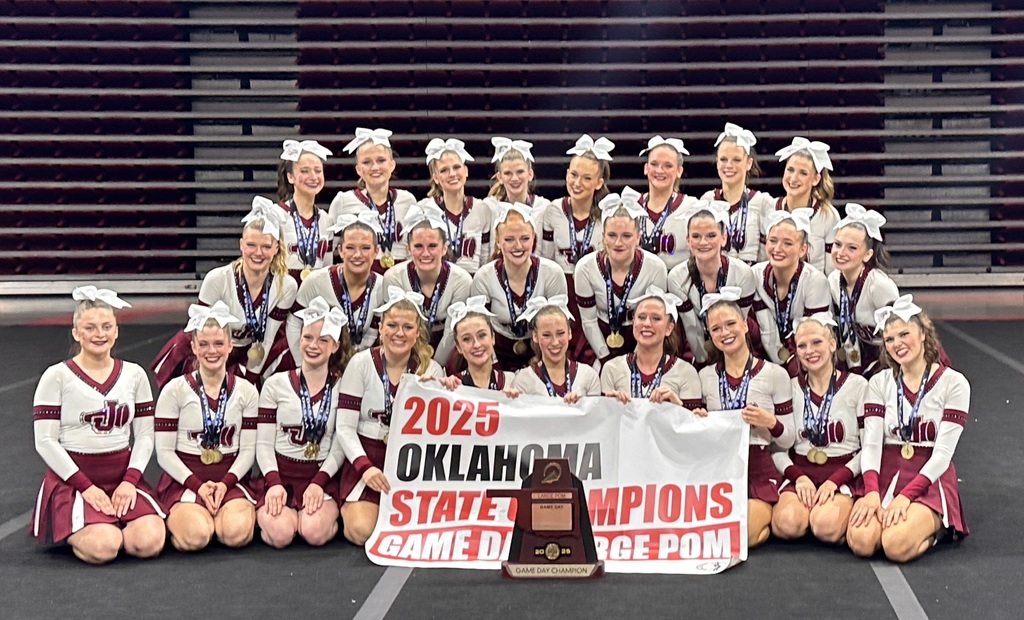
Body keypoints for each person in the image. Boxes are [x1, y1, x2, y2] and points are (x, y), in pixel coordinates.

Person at [30, 287, 165, 564]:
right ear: (76, 333)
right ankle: (79, 524)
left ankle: (108, 520)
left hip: (122, 478)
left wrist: (130, 481)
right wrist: (85, 487)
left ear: (116, 331)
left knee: (149, 542)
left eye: (106, 326)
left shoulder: (134, 374)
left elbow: (144, 435)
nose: (99, 334)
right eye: (90, 327)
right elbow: (45, 441)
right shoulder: (56, 376)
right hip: (75, 480)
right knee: (105, 546)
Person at [847, 296, 970, 562]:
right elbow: (871, 444)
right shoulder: (879, 383)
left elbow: (943, 455)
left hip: (929, 478)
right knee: (861, 541)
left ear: (924, 334)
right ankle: (897, 520)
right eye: (889, 339)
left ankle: (940, 529)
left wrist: (906, 497)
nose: (897, 344)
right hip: (886, 473)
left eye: (904, 334)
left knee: (895, 545)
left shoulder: (954, 383)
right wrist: (870, 492)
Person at [336, 287, 446, 545]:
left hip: (411, 463)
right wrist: (364, 468)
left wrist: (436, 392)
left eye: (407, 327)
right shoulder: (360, 364)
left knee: (418, 534)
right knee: (362, 532)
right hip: (368, 458)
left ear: (417, 332)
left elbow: (438, 433)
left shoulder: (431, 369)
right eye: (392, 325)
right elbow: (345, 427)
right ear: (381, 328)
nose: (399, 333)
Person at [152, 196, 297, 389]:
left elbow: (268, 339)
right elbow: (201, 333)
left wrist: (250, 378)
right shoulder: (217, 279)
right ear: (241, 245)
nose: (258, 252)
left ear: (276, 249)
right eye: (251, 245)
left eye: (266, 246)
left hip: (248, 353)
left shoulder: (286, 286)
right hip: (207, 348)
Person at [155, 302, 260, 552]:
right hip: (186, 481)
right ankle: (190, 515)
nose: (211, 351)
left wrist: (224, 484)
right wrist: (197, 486)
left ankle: (218, 512)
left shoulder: (247, 391)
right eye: (203, 344)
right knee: (196, 536)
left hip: (231, 481)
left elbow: (248, 450)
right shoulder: (174, 391)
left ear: (230, 346)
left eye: (218, 344)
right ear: (192, 347)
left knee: (236, 534)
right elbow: (164, 453)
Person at [696, 288, 795, 549]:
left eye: (730, 324)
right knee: (709, 538)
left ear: (744, 324)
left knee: (738, 538)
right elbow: (697, 434)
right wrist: (699, 421)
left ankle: (766, 517)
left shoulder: (775, 374)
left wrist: (770, 422)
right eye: (716, 329)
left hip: (759, 466)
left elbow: (788, 440)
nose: (724, 333)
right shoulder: (705, 376)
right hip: (720, 469)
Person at [256, 297, 348, 548]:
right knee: (281, 535)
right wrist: (274, 483)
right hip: (281, 475)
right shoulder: (276, 384)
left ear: (335, 345)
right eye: (308, 337)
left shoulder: (343, 387)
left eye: (323, 340)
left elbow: (341, 444)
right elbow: (263, 443)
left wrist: (319, 483)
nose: (313, 345)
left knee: (314, 533)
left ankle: (318, 515)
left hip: (321, 475)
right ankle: (285, 513)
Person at [771, 314, 868, 545]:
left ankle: (836, 511)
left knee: (825, 527)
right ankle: (811, 513)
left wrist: (835, 481)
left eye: (817, 342)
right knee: (786, 525)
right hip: (801, 472)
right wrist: (798, 477)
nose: (809, 351)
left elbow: (870, 448)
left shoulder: (858, 386)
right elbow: (777, 448)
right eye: (802, 345)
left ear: (833, 344)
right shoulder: (789, 387)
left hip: (843, 472)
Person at [575, 188, 668, 368]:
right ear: (603, 236)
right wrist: (605, 359)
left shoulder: (655, 268)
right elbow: (588, 321)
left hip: (642, 339)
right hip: (597, 341)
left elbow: (655, 319)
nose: (618, 243)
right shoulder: (585, 268)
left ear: (638, 238)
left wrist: (635, 360)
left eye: (626, 236)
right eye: (612, 235)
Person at [469, 201, 567, 371]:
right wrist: (495, 370)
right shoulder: (483, 277)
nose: (518, 246)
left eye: (525, 238)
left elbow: (558, 329)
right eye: (509, 239)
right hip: (495, 356)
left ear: (534, 239)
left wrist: (543, 368)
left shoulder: (552, 273)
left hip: (542, 354)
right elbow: (478, 329)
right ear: (498, 241)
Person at [667, 200, 765, 369]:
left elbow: (740, 325)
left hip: (739, 341)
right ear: (688, 240)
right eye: (696, 236)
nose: (703, 242)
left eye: (711, 236)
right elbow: (692, 327)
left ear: (723, 238)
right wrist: (703, 363)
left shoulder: (742, 273)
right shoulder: (677, 276)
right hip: (701, 344)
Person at [382, 204, 472, 366]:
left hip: (448, 356)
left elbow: (451, 334)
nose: (425, 253)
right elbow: (397, 330)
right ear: (408, 248)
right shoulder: (393, 278)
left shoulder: (462, 281)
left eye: (432, 246)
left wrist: (433, 368)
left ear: (444, 248)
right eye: (418, 246)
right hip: (406, 350)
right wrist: (418, 366)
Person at [287, 211, 385, 358]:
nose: (357, 255)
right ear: (340, 250)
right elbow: (294, 323)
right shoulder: (316, 281)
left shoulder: (382, 286)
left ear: (376, 251)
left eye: (365, 248)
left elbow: (372, 332)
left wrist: (356, 364)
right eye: (350, 247)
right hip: (317, 361)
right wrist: (301, 363)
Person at [752, 208, 833, 376]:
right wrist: (778, 365)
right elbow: (766, 329)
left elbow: (814, 335)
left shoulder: (815, 281)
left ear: (803, 249)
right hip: (769, 353)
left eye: (787, 243)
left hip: (808, 356)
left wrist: (790, 366)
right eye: (772, 241)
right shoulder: (755, 275)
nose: (777, 248)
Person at [328, 127, 419, 273]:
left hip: (401, 277)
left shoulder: (408, 201)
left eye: (381, 160)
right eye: (367, 162)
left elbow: (415, 248)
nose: (375, 167)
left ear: (392, 164)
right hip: (359, 277)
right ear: (358, 169)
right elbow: (328, 251)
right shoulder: (343, 201)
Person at [600, 285, 702, 409]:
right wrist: (610, 407)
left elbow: (692, 426)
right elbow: (602, 424)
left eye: (656, 318)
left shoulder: (686, 372)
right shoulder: (611, 369)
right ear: (633, 322)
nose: (647, 324)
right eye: (641, 317)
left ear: (669, 328)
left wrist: (677, 407)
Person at [829, 203, 899, 377]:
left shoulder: (878, 286)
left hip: (885, 363)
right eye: (837, 244)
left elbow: (900, 333)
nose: (841, 252)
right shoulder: (833, 280)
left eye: (852, 248)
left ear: (867, 254)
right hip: (850, 361)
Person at [700, 123, 774, 265]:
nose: (729, 165)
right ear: (717, 163)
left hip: (751, 281)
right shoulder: (707, 200)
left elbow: (770, 255)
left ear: (749, 163)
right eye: (723, 159)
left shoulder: (762, 202)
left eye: (736, 160)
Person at [765, 137, 841, 274]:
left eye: (803, 173)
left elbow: (833, 273)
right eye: (790, 170)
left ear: (816, 179)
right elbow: (762, 263)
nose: (793, 178)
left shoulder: (828, 215)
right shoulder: (769, 208)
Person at [418, 137, 492, 274]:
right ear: (436, 178)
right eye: (444, 170)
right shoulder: (424, 209)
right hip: (437, 285)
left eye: (457, 167)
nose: (452, 174)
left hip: (473, 285)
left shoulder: (482, 208)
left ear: (466, 171)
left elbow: (486, 261)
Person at [511, 296, 601, 402]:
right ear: (535, 336)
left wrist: (580, 407)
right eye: (546, 335)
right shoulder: (523, 380)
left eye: (560, 333)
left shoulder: (589, 375)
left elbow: (597, 417)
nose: (555, 342)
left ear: (570, 333)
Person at [276, 139, 336, 284]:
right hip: (283, 291)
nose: (313, 177)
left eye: (318, 170)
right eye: (304, 171)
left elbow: (327, 267)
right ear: (290, 177)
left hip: (316, 294)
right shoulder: (276, 214)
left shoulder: (326, 220)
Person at [637, 135, 698, 271]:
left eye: (668, 165)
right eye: (654, 164)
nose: (659, 170)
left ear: (679, 171)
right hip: (637, 288)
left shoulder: (692, 207)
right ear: (646, 168)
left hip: (677, 287)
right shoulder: (631, 206)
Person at [435, 296, 518, 392]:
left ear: (493, 338)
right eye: (467, 339)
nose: (476, 345)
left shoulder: (512, 382)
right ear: (458, 347)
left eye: (482, 335)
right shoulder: (452, 386)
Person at [487, 137, 551, 215]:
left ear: (530, 174)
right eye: (508, 173)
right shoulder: (489, 208)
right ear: (500, 177)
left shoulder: (544, 208)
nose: (514, 178)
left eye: (520, 172)